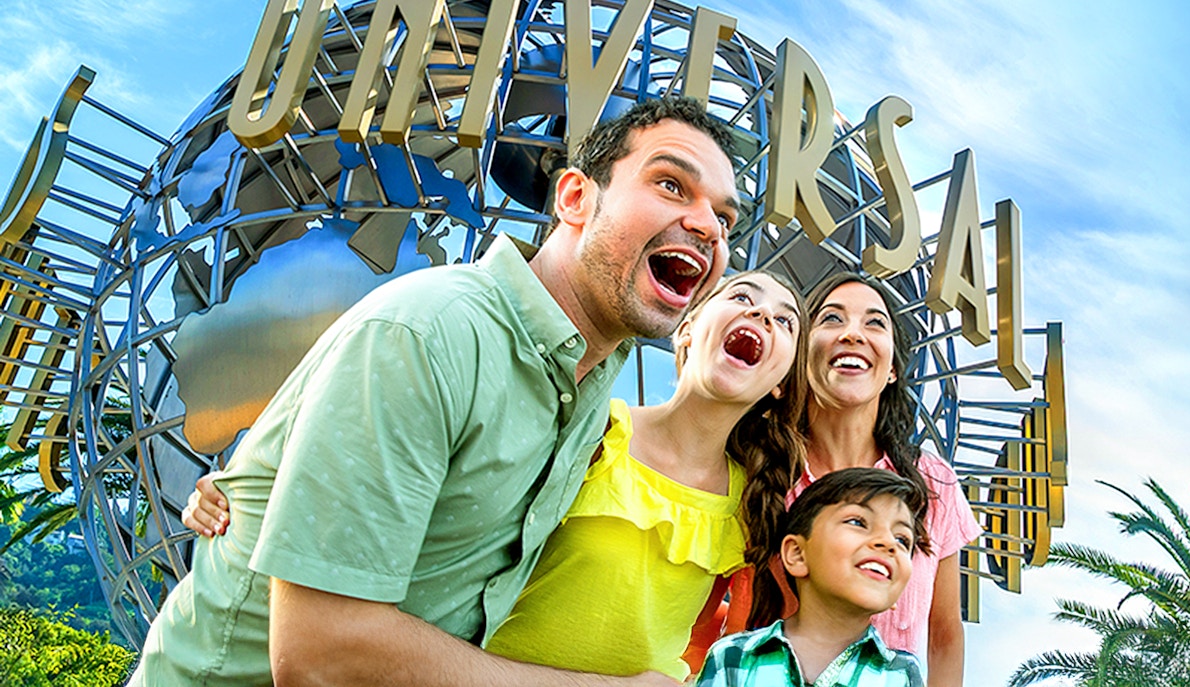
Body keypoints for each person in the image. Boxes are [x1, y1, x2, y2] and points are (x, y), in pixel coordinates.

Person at [130, 96, 740, 687]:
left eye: (725, 217)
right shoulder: (428, 334)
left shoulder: (591, 386)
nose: (708, 225)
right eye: (670, 184)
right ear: (576, 197)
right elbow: (321, 656)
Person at [185, 269, 811, 681]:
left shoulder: (760, 504)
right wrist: (243, 493)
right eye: (741, 297)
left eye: (785, 321)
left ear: (781, 381)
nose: (761, 317)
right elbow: (420, 486)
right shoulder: (591, 432)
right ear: (688, 330)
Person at [735, 272, 983, 687]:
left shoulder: (933, 484)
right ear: (801, 354)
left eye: (874, 323)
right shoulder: (755, 468)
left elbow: (943, 634)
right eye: (831, 319)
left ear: (891, 371)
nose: (853, 334)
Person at [695, 467, 929, 687]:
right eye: (857, 522)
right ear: (797, 554)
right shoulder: (732, 657)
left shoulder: (901, 674)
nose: (888, 543)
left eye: (902, 539)